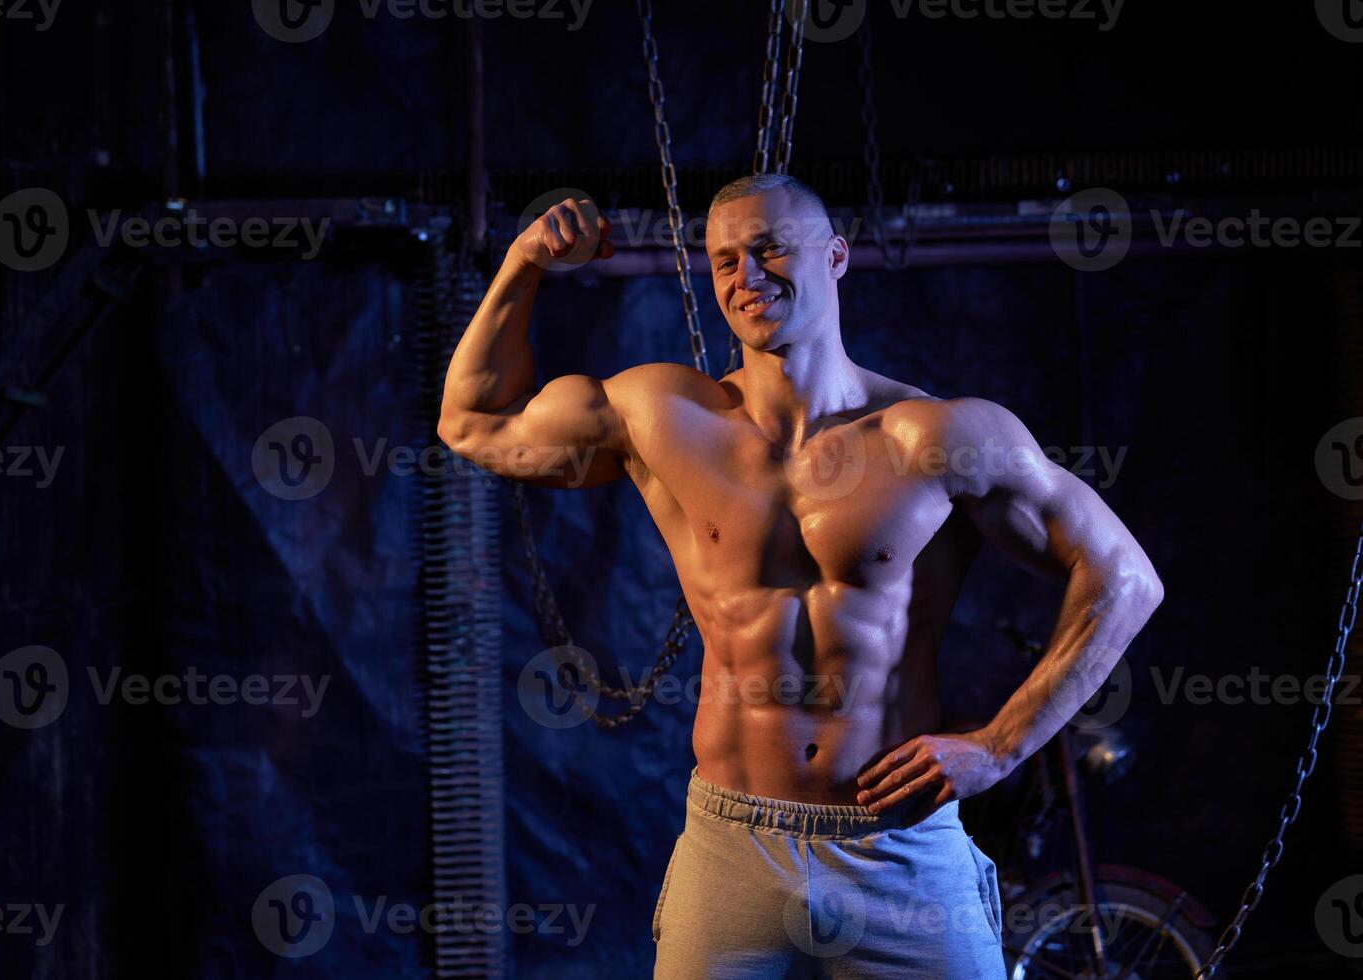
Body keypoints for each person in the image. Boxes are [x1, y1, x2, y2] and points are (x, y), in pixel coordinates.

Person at [437, 173, 1163, 978]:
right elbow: (475, 423)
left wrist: (997, 749)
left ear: (837, 256)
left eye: (769, 248)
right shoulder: (662, 416)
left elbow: (1124, 577)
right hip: (732, 843)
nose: (745, 278)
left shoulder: (934, 437)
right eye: (723, 262)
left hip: (899, 848)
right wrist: (524, 259)